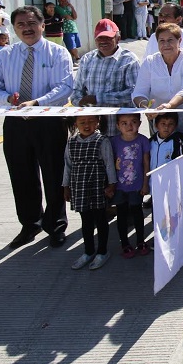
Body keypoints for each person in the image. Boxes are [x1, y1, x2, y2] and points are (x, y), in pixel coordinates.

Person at [0, 5, 74, 249]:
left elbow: (65, 87)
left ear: (42, 25)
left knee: (53, 175)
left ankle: (55, 225)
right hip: (15, 122)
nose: (27, 28)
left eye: (32, 23)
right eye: (20, 24)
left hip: (49, 121)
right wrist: (7, 99)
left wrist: (37, 103)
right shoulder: (5, 55)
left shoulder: (57, 53)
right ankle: (30, 223)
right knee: (21, 176)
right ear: (13, 29)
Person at [63, 115, 116, 270]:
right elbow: (67, 165)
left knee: (100, 219)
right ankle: (88, 251)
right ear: (76, 124)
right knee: (86, 220)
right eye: (83, 122)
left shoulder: (102, 141)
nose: (87, 125)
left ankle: (102, 251)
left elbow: (109, 163)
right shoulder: (71, 142)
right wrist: (66, 186)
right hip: (79, 186)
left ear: (98, 122)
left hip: (97, 185)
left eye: (92, 121)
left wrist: (112, 184)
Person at [73, 19, 140, 136]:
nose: (103, 41)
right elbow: (76, 91)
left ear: (118, 38)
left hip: (120, 132)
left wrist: (98, 98)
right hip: (92, 133)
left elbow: (134, 94)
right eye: (100, 38)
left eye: (108, 38)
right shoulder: (87, 59)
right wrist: (81, 103)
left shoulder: (129, 60)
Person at [132, 23, 183, 129]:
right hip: (160, 123)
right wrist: (146, 107)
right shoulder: (150, 62)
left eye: (170, 40)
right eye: (162, 41)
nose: (166, 44)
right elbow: (139, 92)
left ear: (179, 41)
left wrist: (169, 106)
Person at [110, 113, 150, 259]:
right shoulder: (114, 142)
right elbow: (110, 162)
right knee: (121, 215)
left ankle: (141, 241)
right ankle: (125, 244)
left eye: (133, 122)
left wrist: (145, 184)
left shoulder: (143, 141)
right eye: (124, 123)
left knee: (138, 214)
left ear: (139, 124)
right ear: (117, 126)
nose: (129, 126)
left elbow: (146, 163)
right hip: (120, 187)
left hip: (137, 186)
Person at [55, 0, 80, 64]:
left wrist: (72, 7)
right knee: (71, 45)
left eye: (65, 1)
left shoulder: (68, 8)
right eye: (62, 1)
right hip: (66, 29)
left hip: (74, 29)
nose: (64, 2)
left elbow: (75, 17)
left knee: (72, 46)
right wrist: (71, 17)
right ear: (59, 1)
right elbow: (67, 16)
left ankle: (72, 61)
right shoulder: (58, 8)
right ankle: (78, 59)